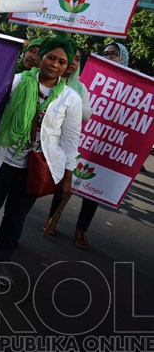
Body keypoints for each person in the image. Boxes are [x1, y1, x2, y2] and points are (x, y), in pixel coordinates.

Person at [0, 36, 82, 287]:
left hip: (34, 169)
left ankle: (2, 260)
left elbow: (70, 142)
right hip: (1, 160)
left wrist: (68, 178)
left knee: (16, 217)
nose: (54, 64)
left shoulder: (70, 99)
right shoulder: (15, 82)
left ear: (67, 67)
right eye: (50, 57)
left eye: (61, 61)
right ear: (42, 57)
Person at [44, 43, 120, 249]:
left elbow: (86, 113)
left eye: (114, 54)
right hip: (72, 142)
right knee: (63, 180)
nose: (108, 57)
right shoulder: (82, 80)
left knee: (93, 187)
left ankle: (81, 229)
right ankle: (52, 217)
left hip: (102, 146)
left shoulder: (130, 87)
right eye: (105, 53)